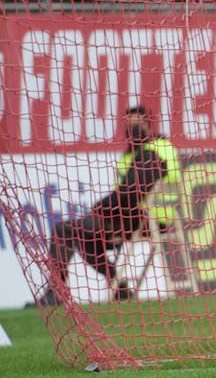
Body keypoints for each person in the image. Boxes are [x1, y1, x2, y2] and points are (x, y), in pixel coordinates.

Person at [43, 107, 181, 303]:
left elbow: (131, 192)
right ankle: (119, 288)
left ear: (148, 125)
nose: (132, 127)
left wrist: (100, 208)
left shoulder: (155, 151)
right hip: (132, 217)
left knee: (65, 230)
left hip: (148, 220)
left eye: (137, 123)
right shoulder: (135, 153)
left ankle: (56, 292)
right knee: (83, 235)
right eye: (129, 123)